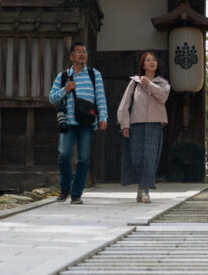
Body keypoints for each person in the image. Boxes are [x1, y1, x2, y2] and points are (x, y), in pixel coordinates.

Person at [49, 42, 107, 204]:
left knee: (83, 159)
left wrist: (103, 118)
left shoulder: (94, 74)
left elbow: (100, 97)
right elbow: (51, 98)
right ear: (71, 56)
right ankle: (64, 188)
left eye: (84, 51)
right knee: (64, 156)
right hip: (67, 122)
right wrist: (65, 89)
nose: (82, 54)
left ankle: (76, 194)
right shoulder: (63, 76)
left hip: (87, 122)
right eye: (78, 51)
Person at [117, 50, 170, 203]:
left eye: (154, 60)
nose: (151, 62)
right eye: (148, 60)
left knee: (149, 157)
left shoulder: (163, 83)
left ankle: (145, 189)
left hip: (154, 125)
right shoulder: (134, 82)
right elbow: (124, 104)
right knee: (136, 158)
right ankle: (141, 187)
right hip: (136, 124)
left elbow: (162, 97)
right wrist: (124, 124)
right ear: (143, 64)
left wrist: (149, 84)